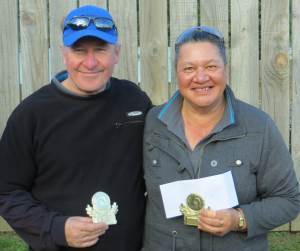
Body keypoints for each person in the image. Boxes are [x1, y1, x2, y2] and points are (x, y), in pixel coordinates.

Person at [0, 5, 151, 251]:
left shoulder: (134, 101)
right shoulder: (31, 114)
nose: (90, 63)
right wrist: (56, 228)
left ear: (117, 53)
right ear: (64, 54)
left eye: (101, 50)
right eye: (79, 51)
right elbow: (6, 191)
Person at [142, 26, 300, 251]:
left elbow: (289, 200)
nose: (201, 77)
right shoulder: (152, 123)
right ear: (176, 73)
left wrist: (239, 219)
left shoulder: (259, 127)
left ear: (225, 69)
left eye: (211, 66)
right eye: (189, 68)